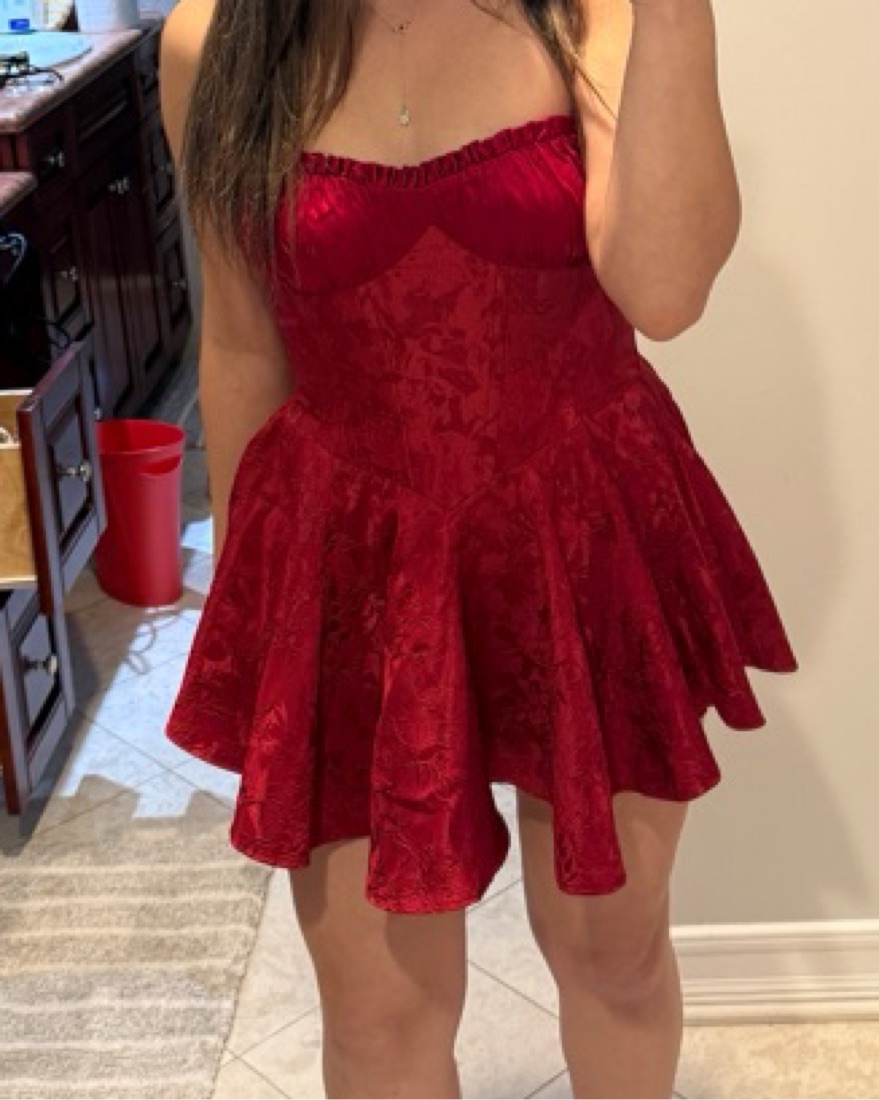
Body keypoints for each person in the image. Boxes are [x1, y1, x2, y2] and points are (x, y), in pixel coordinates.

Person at [159, 1, 798, 1096]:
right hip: (353, 560)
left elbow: (665, 293)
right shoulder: (216, 37)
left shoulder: (596, 12)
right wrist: (250, 616)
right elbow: (238, 336)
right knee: (378, 1016)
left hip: (580, 537)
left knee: (613, 954)